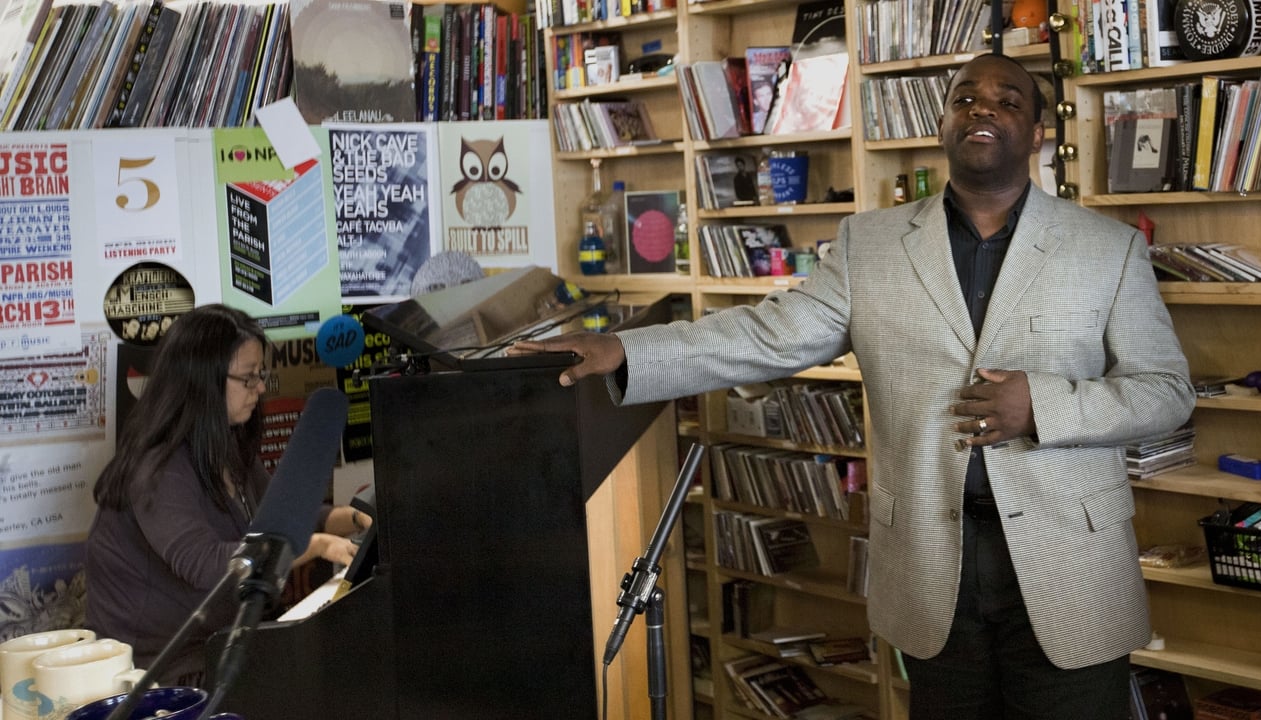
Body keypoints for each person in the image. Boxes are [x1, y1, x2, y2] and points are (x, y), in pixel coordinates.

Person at [511, 54, 1196, 719]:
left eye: (1007, 100)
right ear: (944, 124)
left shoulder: (1107, 248)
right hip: (934, 572)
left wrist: (1041, 406)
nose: (982, 108)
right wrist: (622, 350)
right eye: (965, 98)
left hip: (1071, 568)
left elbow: (1166, 391)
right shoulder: (869, 245)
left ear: (1039, 134)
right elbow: (767, 335)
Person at [85, 304, 371, 685]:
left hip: (224, 645)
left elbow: (287, 514)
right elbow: (205, 565)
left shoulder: (226, 447)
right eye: (248, 378)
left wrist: (354, 519)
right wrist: (315, 546)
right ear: (202, 381)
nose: (261, 388)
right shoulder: (157, 469)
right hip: (165, 674)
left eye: (260, 375)